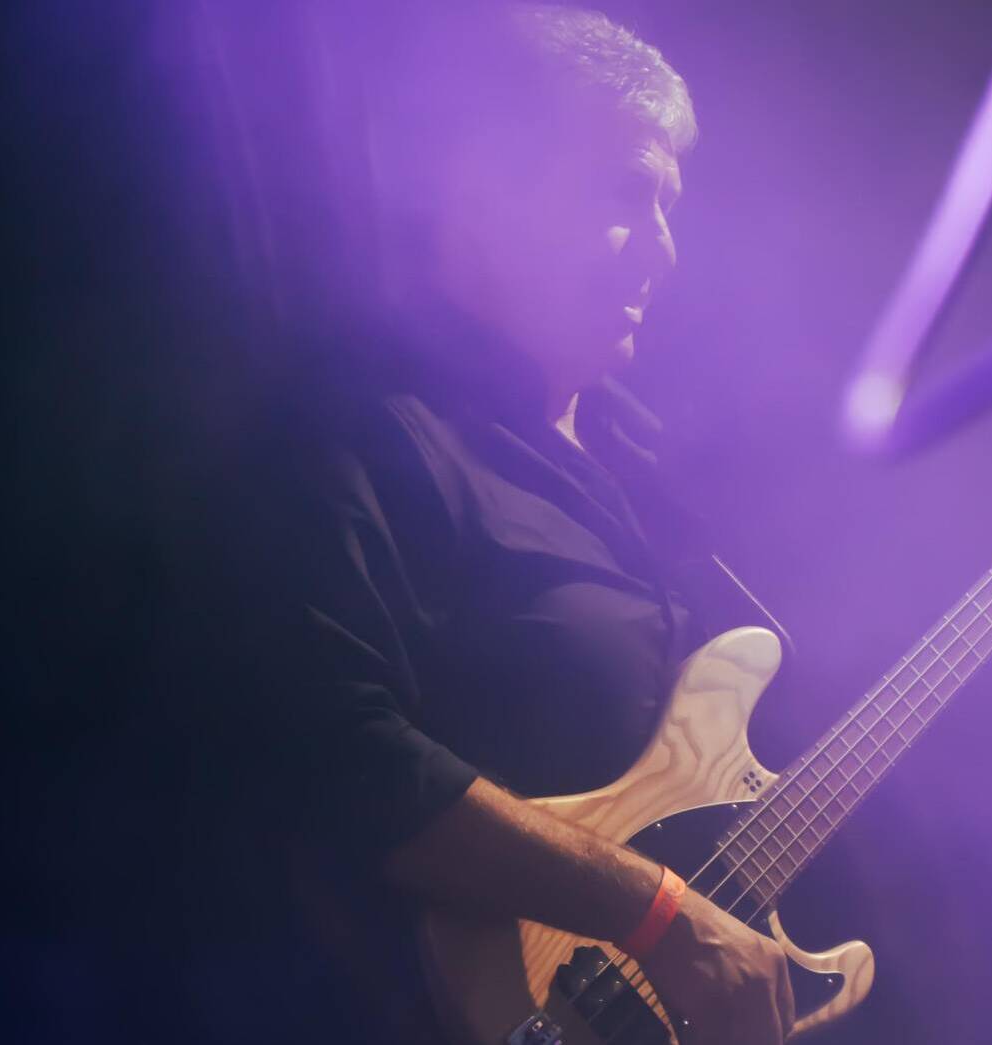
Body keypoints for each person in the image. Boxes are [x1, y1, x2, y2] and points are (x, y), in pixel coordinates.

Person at [293, 4, 798, 1042]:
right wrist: (656, 914)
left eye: (670, 207)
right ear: (481, 188)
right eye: (625, 195)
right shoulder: (360, 428)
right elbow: (335, 750)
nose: (663, 252)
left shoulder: (645, 460)